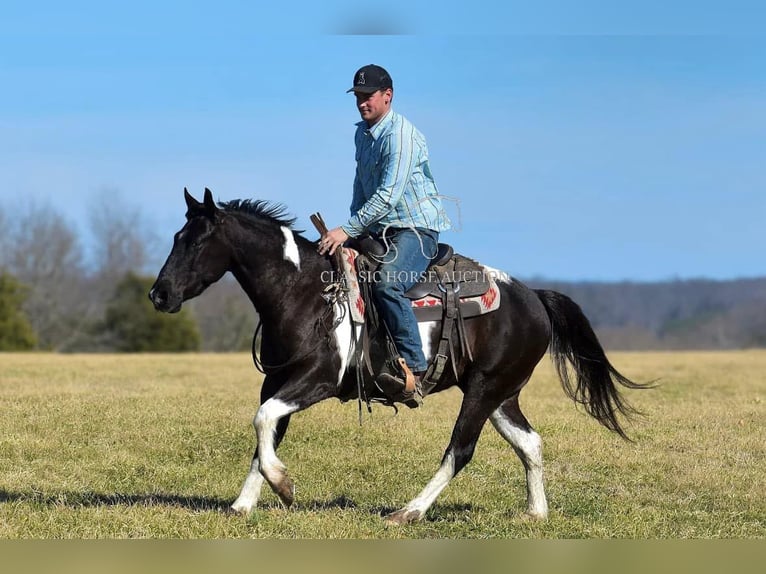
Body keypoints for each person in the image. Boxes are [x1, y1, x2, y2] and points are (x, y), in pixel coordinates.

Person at [318, 64, 451, 406]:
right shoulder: (362, 134)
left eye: (368, 96)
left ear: (387, 96)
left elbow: (388, 195)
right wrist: (347, 233)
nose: (362, 103)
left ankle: (416, 370)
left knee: (388, 281)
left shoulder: (401, 136)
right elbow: (361, 188)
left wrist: (346, 229)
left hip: (415, 229)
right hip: (379, 227)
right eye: (358, 97)